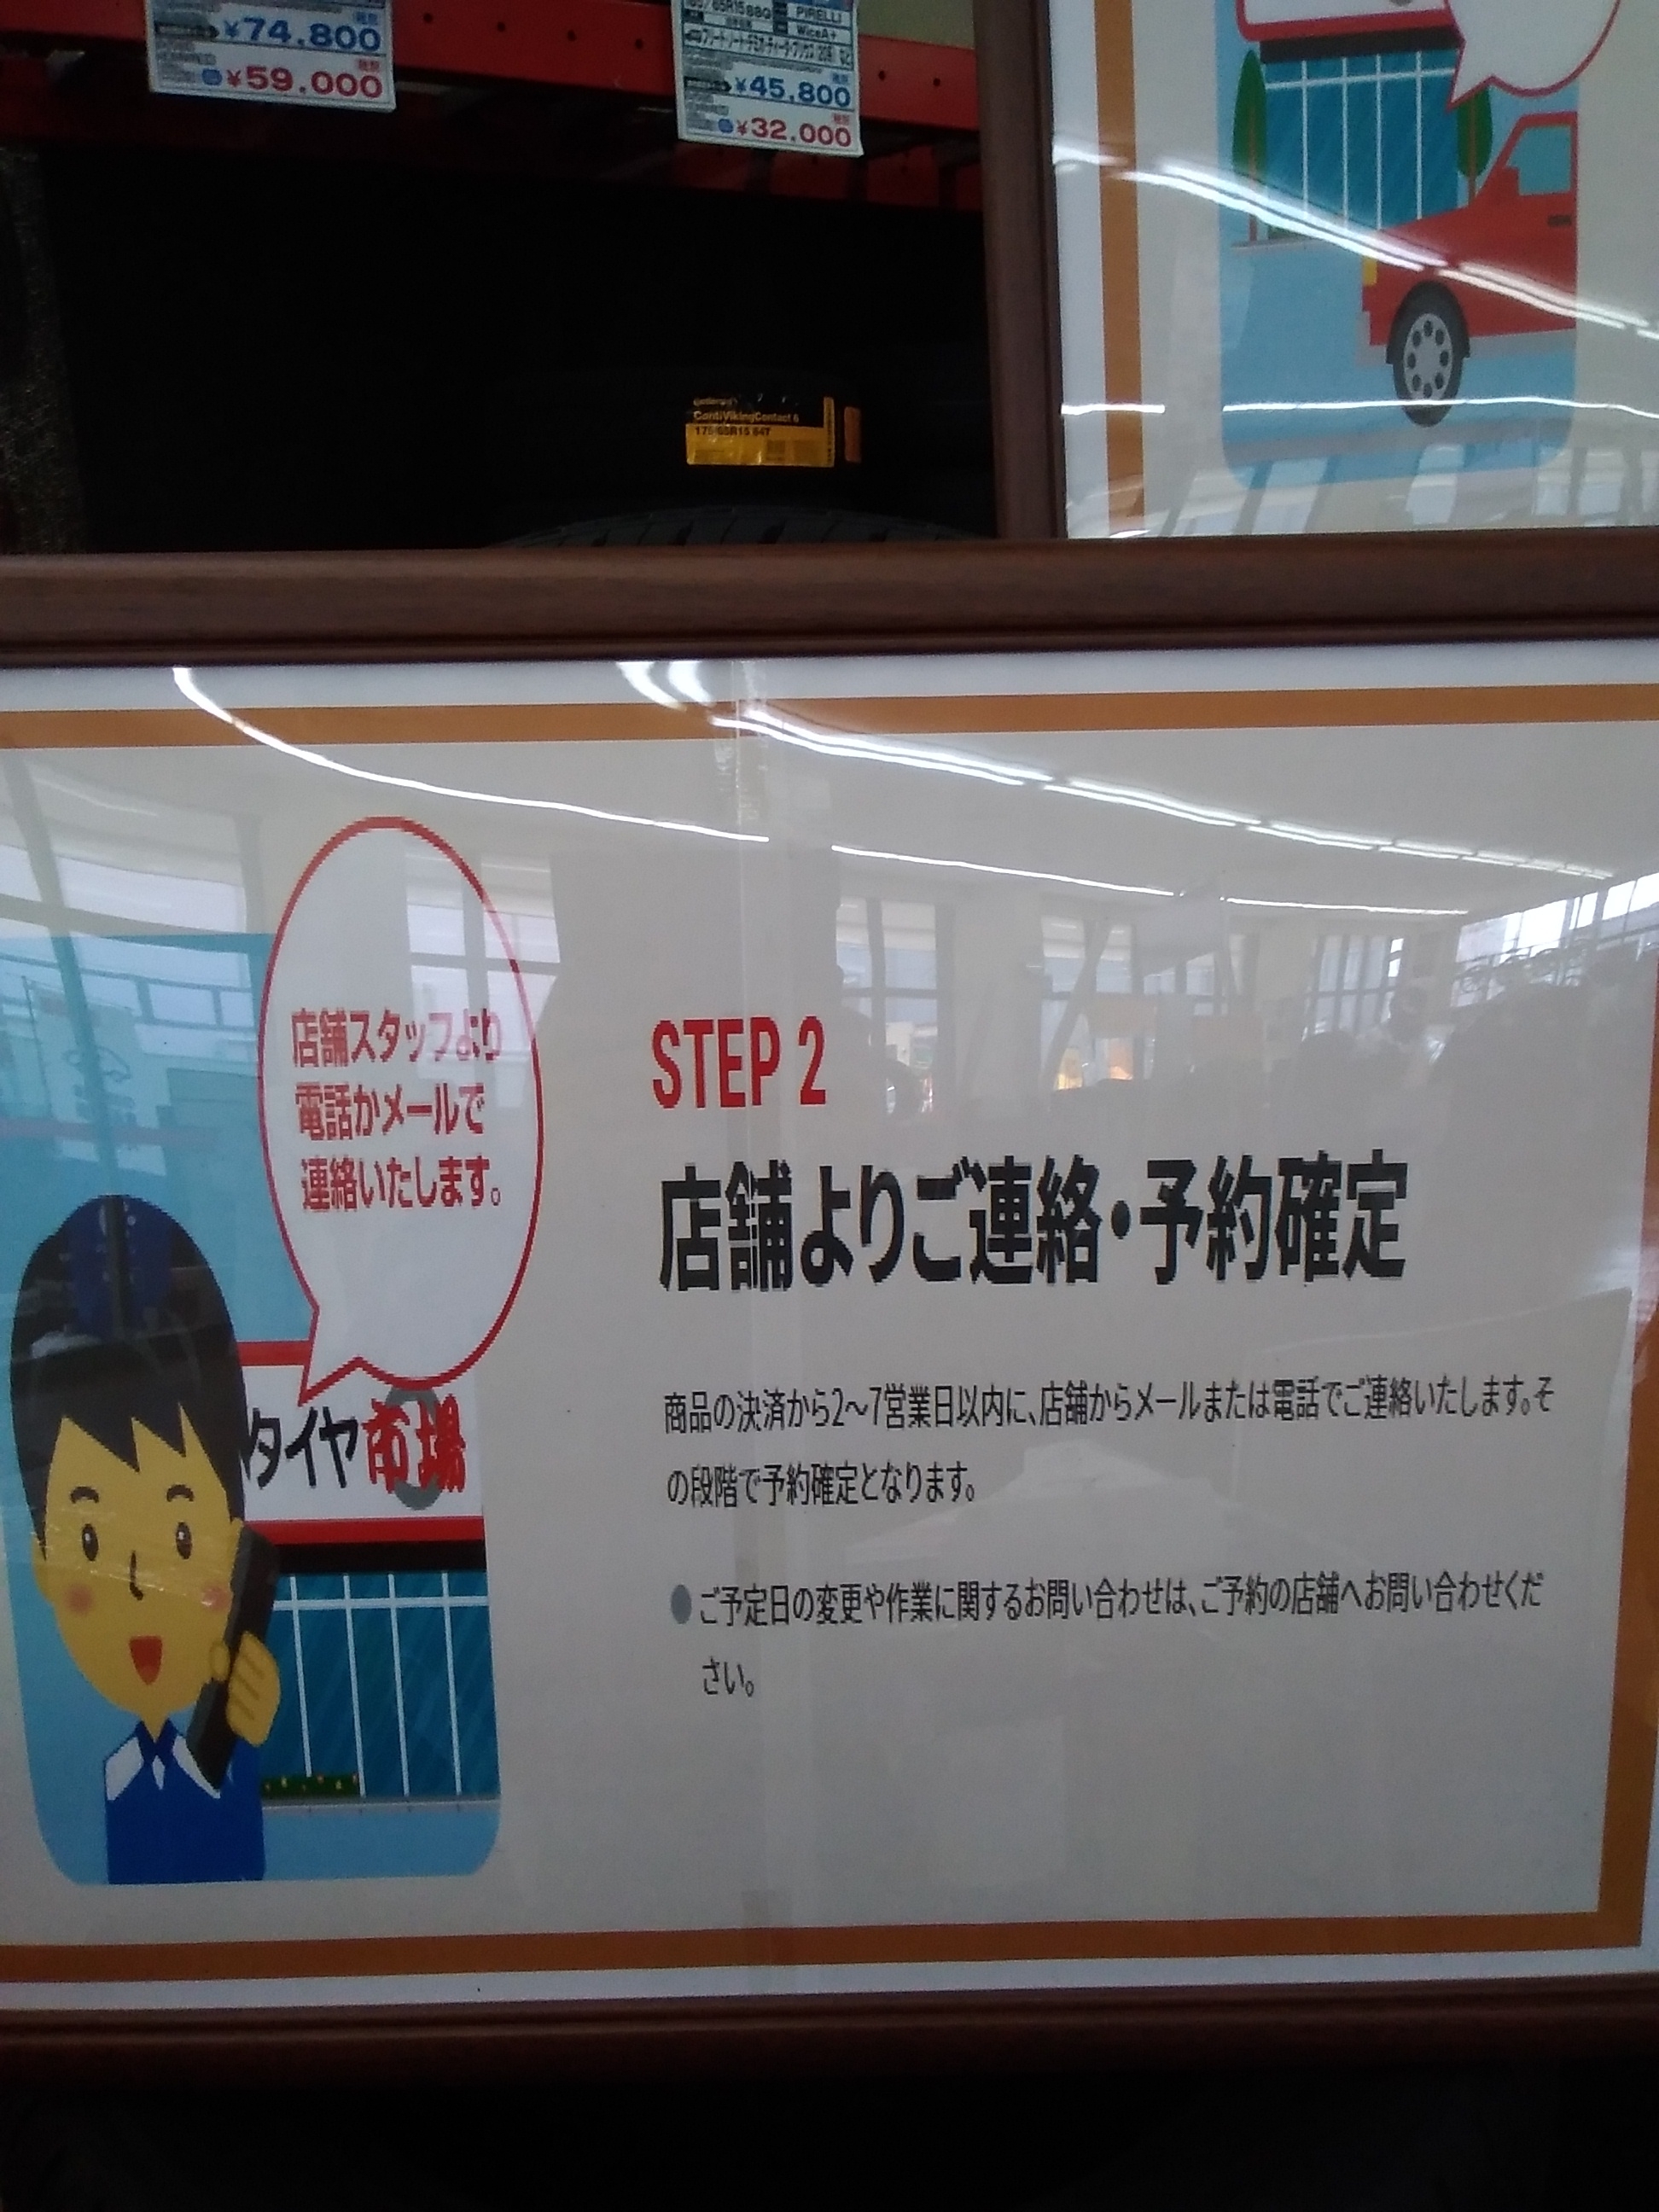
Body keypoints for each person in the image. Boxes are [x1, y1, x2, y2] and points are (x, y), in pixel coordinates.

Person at [10, 1196, 279, 1883]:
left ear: (234, 1539)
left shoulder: (224, 1761)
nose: (136, 1581)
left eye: (182, 1537)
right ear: (41, 1561)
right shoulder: (104, 1783)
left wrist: (245, 1743)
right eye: (91, 1541)